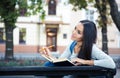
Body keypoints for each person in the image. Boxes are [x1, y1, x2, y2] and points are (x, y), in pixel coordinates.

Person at [41, 20, 116, 78]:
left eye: (78, 32)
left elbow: (111, 64)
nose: (74, 32)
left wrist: (84, 61)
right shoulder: (72, 44)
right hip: (73, 75)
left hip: (84, 76)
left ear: (85, 37)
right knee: (49, 65)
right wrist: (50, 56)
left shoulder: (92, 48)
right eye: (75, 28)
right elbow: (60, 62)